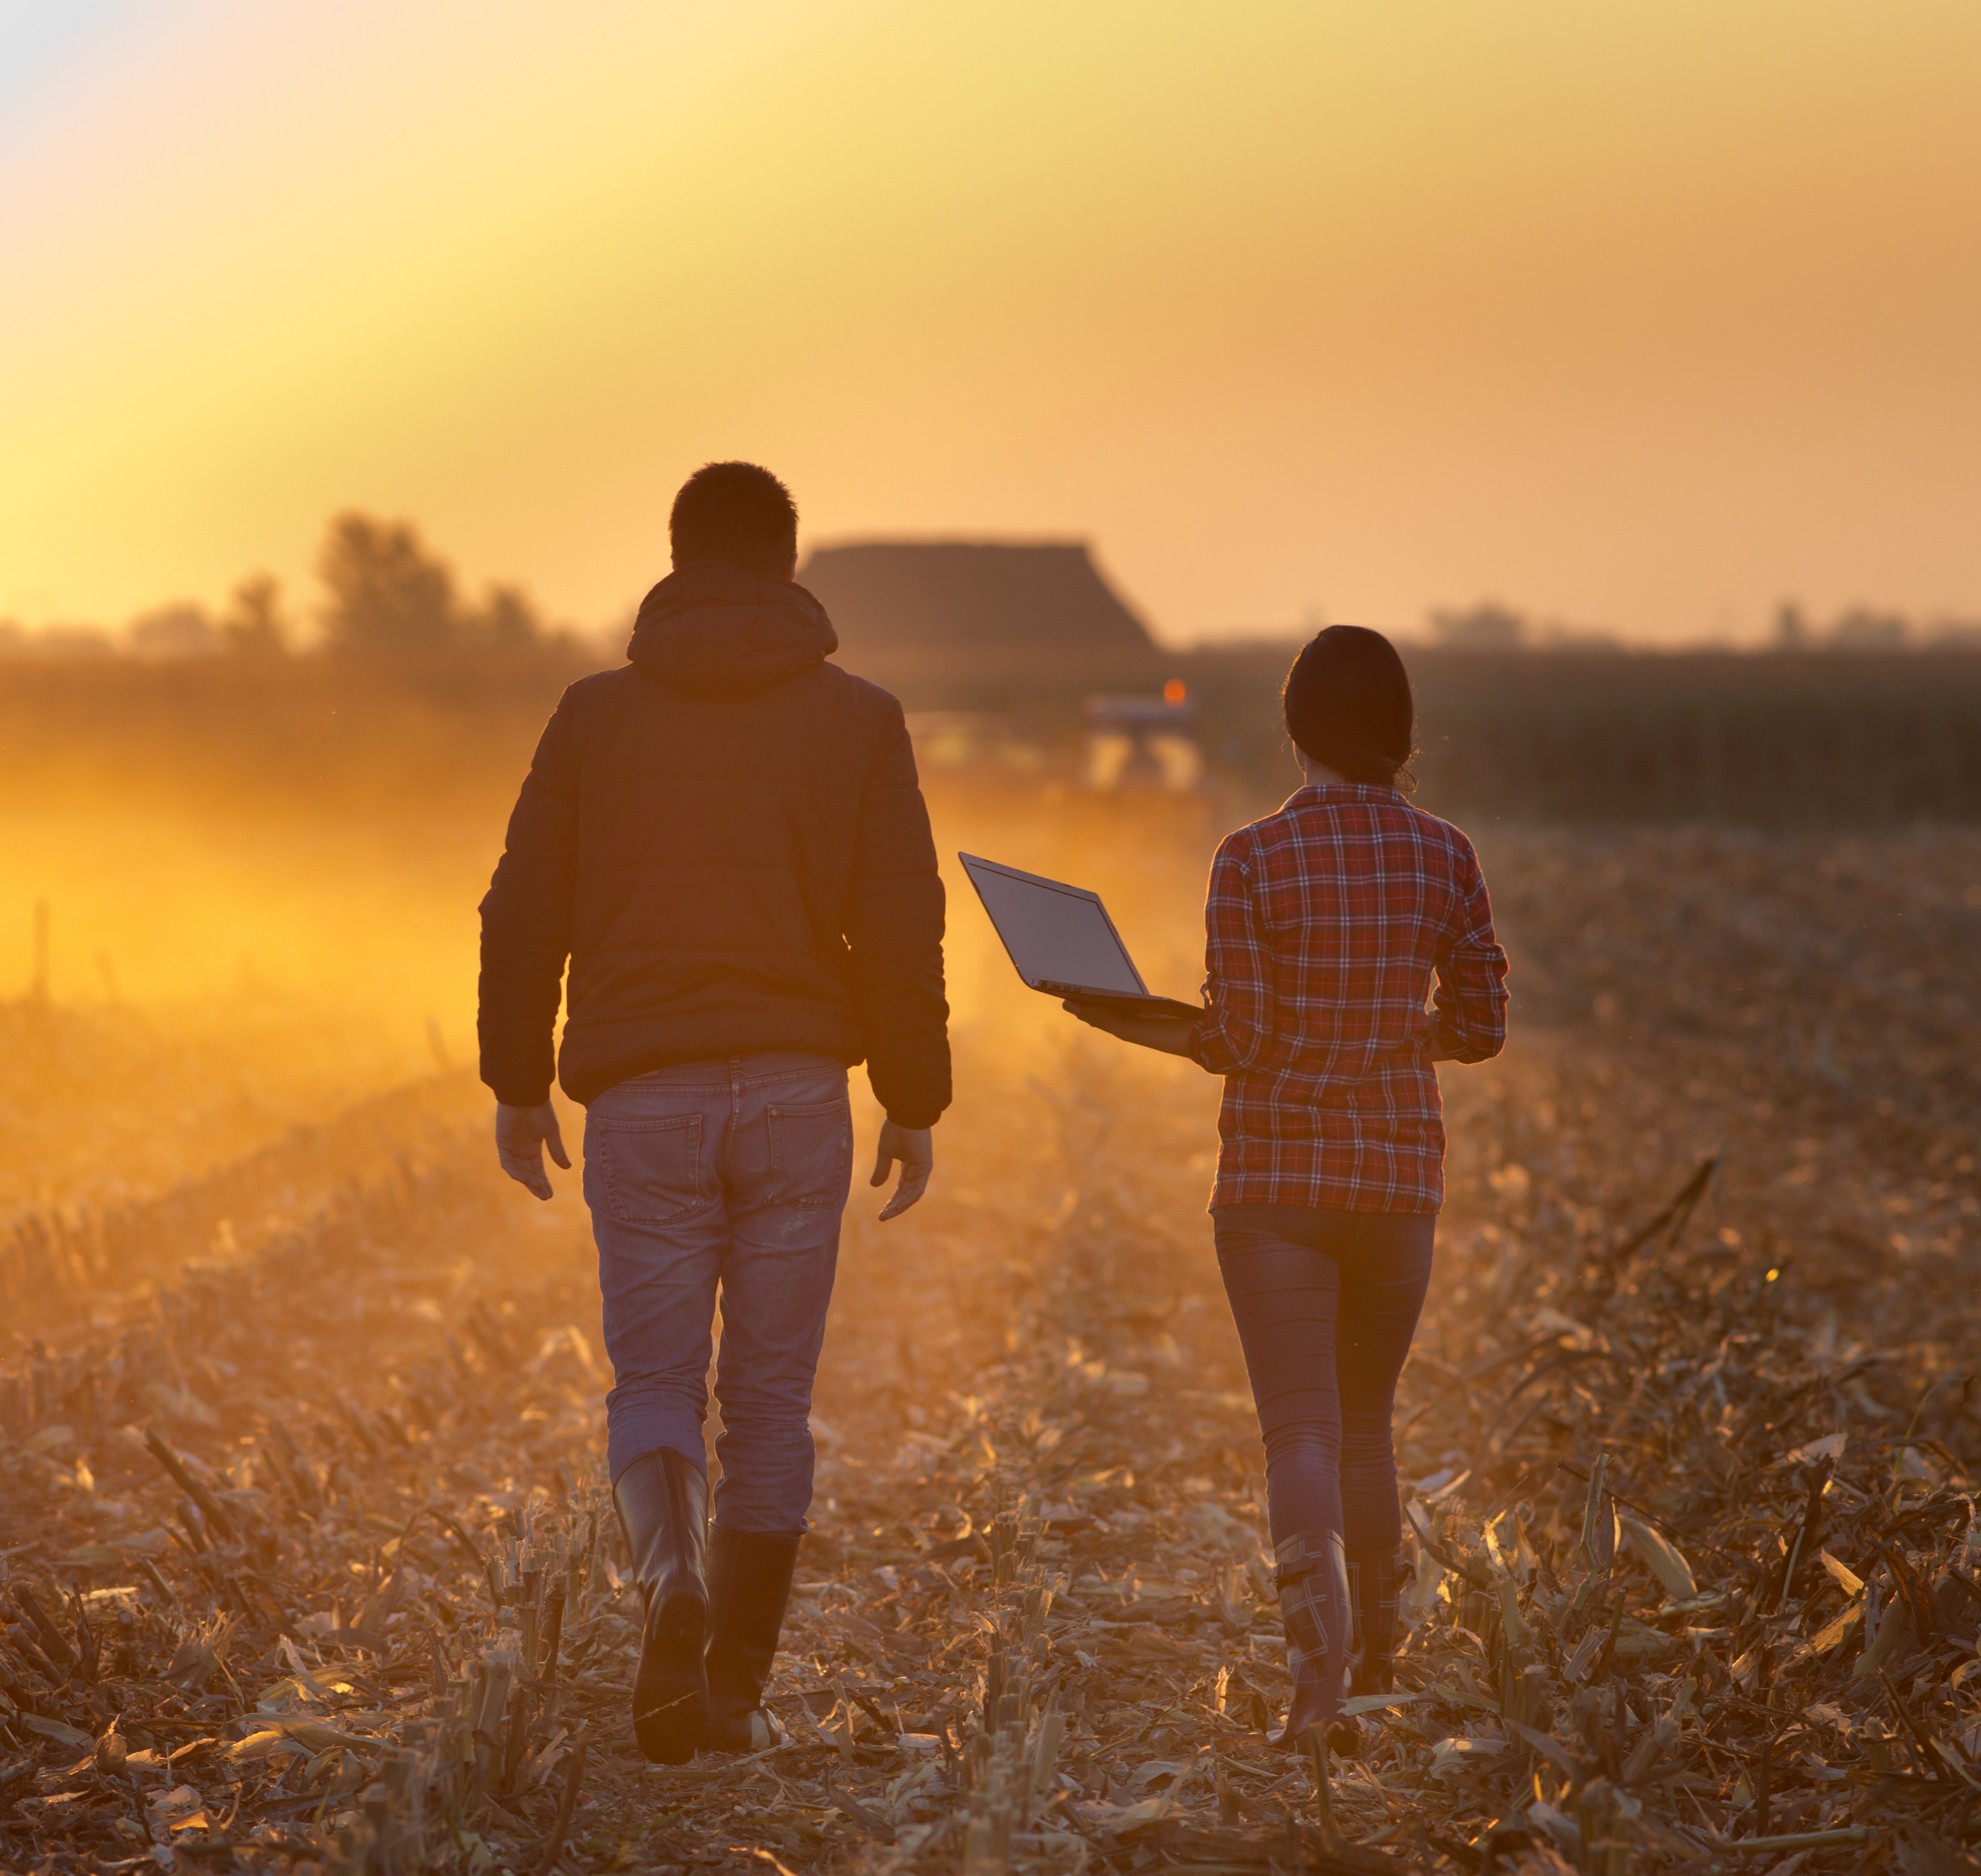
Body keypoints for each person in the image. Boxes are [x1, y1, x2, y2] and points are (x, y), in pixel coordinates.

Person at [476, 462, 950, 1764]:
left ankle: (668, 1586)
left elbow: (523, 909)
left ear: (679, 559)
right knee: (771, 1405)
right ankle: (731, 1687)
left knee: (654, 1385)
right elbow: (902, 921)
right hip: (801, 1097)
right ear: (790, 568)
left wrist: (517, 1079)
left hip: (644, 1098)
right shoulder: (863, 719)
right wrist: (913, 1095)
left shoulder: (593, 715)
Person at [1065, 626, 1507, 1749]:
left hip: (1274, 1186)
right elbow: (1483, 1026)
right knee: (1368, 1424)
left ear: (1296, 729)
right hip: (1398, 1182)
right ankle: (1379, 1660)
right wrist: (1393, 1033)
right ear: (1401, 734)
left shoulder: (1250, 857)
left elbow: (1247, 1037)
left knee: (1297, 1435)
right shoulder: (1447, 854)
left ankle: (1316, 1696)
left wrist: (1142, 1022)